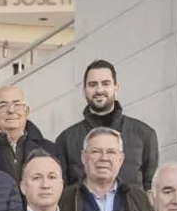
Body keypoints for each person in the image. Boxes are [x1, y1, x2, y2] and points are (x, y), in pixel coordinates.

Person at [56, 60, 160, 189]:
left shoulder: (144, 134)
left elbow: (150, 188)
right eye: (92, 85)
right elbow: (62, 191)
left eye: (105, 84)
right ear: (84, 91)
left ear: (116, 88)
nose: (99, 90)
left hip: (131, 209)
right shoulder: (66, 140)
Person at [64, 128, 152, 211]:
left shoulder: (140, 199)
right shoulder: (64, 199)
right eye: (96, 151)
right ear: (84, 157)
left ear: (121, 159)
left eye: (111, 152)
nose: (104, 158)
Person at [0, 85, 53, 180]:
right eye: (3, 105)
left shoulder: (50, 149)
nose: (11, 110)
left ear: (26, 111)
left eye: (17, 104)